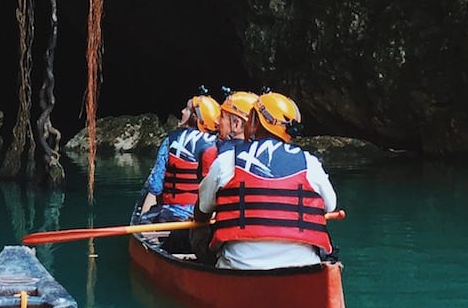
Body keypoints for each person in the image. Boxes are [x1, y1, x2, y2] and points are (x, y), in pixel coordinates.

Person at [195, 92, 337, 270]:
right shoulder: (310, 162)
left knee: (199, 230)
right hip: (305, 267)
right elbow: (331, 206)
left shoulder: (226, 160)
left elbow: (201, 210)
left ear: (255, 121)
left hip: (239, 267)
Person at [138, 94, 221, 247]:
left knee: (151, 220)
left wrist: (143, 223)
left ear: (195, 118)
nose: (182, 111)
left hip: (170, 219)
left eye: (188, 109)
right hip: (205, 219)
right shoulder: (219, 145)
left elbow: (155, 187)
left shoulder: (171, 140)